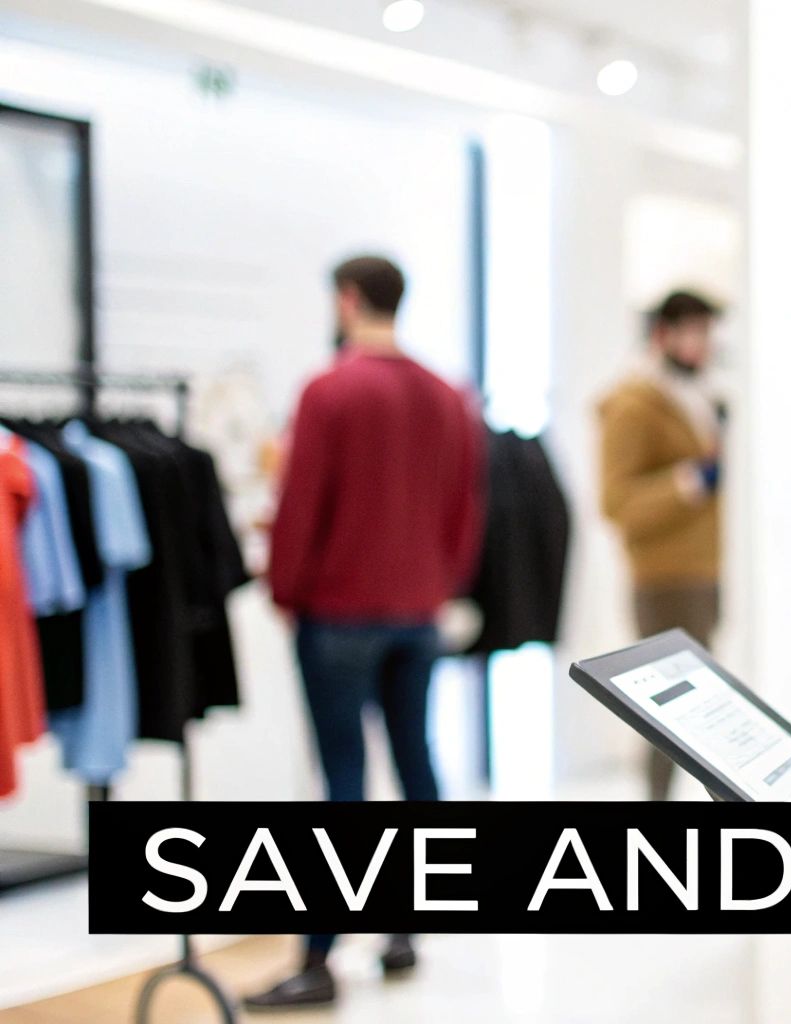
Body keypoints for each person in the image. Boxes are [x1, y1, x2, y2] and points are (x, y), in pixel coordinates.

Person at [245, 255, 485, 1010]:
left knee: (342, 779)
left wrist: (285, 588)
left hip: (340, 613)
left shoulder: (329, 390)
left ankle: (318, 957)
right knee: (416, 762)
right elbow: (464, 510)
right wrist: (437, 583)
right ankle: (407, 927)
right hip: (418, 611)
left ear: (347, 301)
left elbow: (301, 503)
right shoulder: (447, 395)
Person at [597, 289, 726, 802]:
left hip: (703, 573)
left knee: (702, 709)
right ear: (662, 335)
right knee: (670, 712)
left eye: (707, 333)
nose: (703, 345)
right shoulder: (633, 404)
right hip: (662, 579)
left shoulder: (695, 396)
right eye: (692, 332)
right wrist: (689, 482)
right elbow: (616, 502)